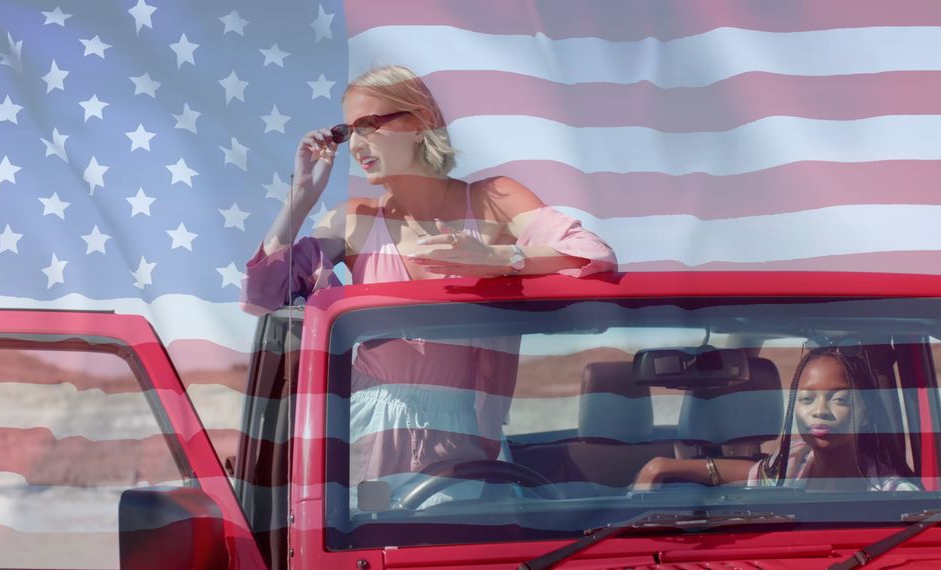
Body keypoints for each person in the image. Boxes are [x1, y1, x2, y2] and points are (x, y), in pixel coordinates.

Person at [241, 65, 616, 507]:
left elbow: (593, 254)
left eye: (369, 125)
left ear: (419, 121)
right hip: (369, 429)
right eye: (348, 132)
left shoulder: (494, 199)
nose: (358, 143)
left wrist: (500, 259)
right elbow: (264, 294)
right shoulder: (355, 219)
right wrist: (300, 195)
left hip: (471, 431)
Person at [633, 347, 917, 492]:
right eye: (807, 399)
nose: (820, 411)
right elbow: (750, 473)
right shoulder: (795, 460)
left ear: (865, 412)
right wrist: (662, 466)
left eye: (839, 399)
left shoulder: (893, 494)